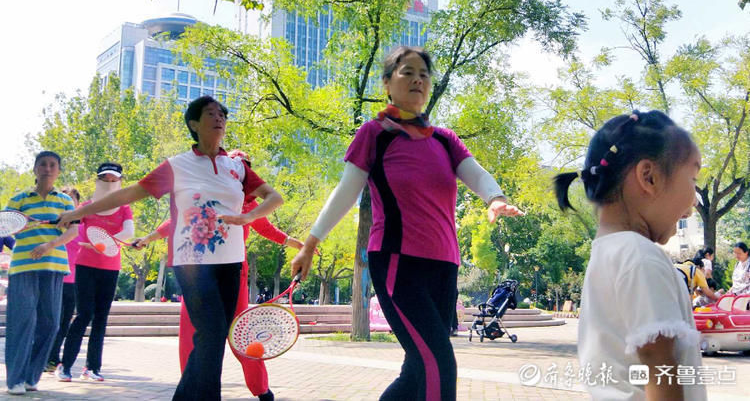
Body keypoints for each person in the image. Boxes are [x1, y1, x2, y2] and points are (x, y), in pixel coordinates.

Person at [291, 46, 523, 401]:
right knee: (438, 364)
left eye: (424, 74)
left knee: (417, 369)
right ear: (387, 83)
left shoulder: (444, 140)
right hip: (399, 263)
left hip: (444, 266)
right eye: (407, 72)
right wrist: (311, 243)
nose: (418, 79)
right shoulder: (375, 133)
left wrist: (496, 199)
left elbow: (474, 174)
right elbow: (346, 191)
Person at [59, 96, 282, 400]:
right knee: (213, 334)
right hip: (192, 264)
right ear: (194, 124)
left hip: (232, 264)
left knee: (211, 338)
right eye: (210, 113)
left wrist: (249, 216)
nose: (219, 118)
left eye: (222, 115)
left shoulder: (237, 168)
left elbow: (274, 197)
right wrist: (77, 213)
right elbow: (128, 194)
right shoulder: (178, 166)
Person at [554, 111, 706, 400]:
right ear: (649, 177)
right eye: (692, 179)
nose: (693, 202)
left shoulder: (608, 252)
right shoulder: (641, 256)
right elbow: (657, 361)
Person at [132, 149, 302, 401]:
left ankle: (262, 391)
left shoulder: (249, 205)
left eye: (246, 169)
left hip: (234, 273)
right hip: (198, 269)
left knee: (240, 334)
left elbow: (267, 228)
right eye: (237, 168)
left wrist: (297, 244)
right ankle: (193, 391)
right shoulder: (205, 198)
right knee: (194, 333)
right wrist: (147, 238)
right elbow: (174, 223)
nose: (242, 175)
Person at [4, 151, 78, 395]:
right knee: (21, 322)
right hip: (23, 267)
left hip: (54, 266)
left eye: (52, 165)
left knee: (51, 323)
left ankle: (31, 376)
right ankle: (15, 379)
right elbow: (6, 227)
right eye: (43, 164)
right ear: (35, 169)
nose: (47, 168)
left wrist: (49, 245)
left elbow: (73, 232)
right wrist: (21, 222)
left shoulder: (66, 202)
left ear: (58, 170)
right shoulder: (19, 200)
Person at [56, 164, 134, 382]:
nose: (109, 184)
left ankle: (92, 368)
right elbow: (75, 231)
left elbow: (128, 231)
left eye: (113, 180)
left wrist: (107, 243)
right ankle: (65, 365)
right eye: (105, 179)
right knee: (84, 314)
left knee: (101, 318)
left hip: (110, 268)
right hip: (86, 266)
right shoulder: (87, 207)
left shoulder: (124, 207)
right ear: (98, 180)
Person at [46, 186, 82, 372]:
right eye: (67, 198)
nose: (70, 202)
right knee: (50, 321)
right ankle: (45, 356)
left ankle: (53, 358)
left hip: (73, 283)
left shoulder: (80, 228)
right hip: (54, 279)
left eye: (73, 199)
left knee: (64, 323)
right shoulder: (52, 226)